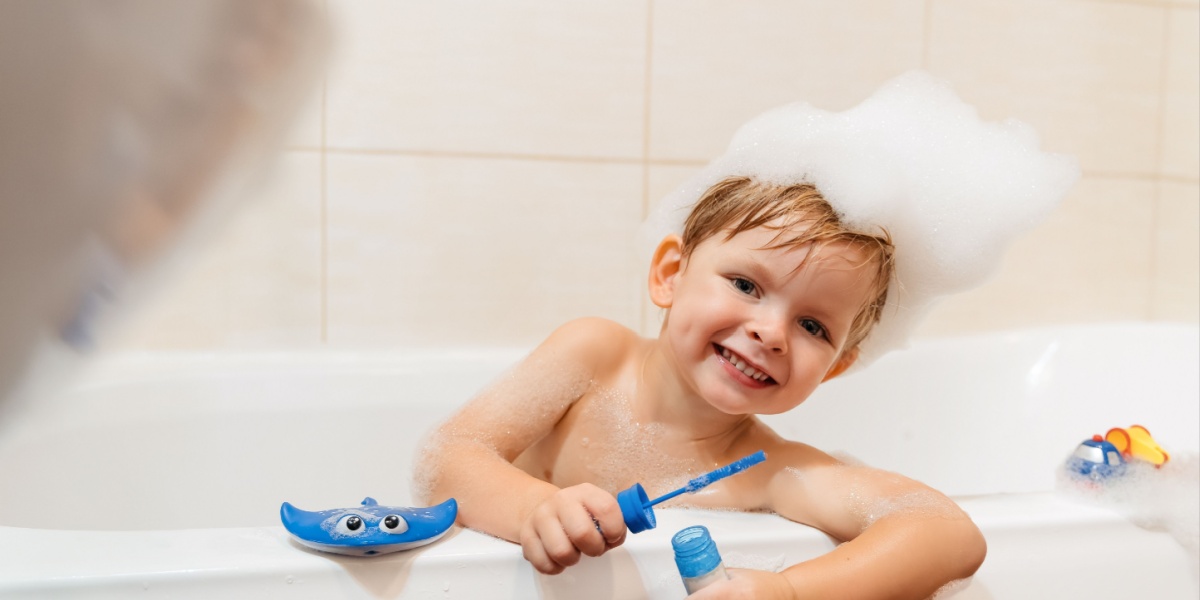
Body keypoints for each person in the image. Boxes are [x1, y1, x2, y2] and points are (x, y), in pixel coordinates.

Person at [418, 175, 987, 599]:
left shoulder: (766, 470)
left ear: (834, 368)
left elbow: (945, 532)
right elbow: (450, 454)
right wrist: (534, 508)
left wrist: (789, 592)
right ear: (670, 275)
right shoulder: (593, 354)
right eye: (745, 283)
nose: (771, 332)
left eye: (813, 326)